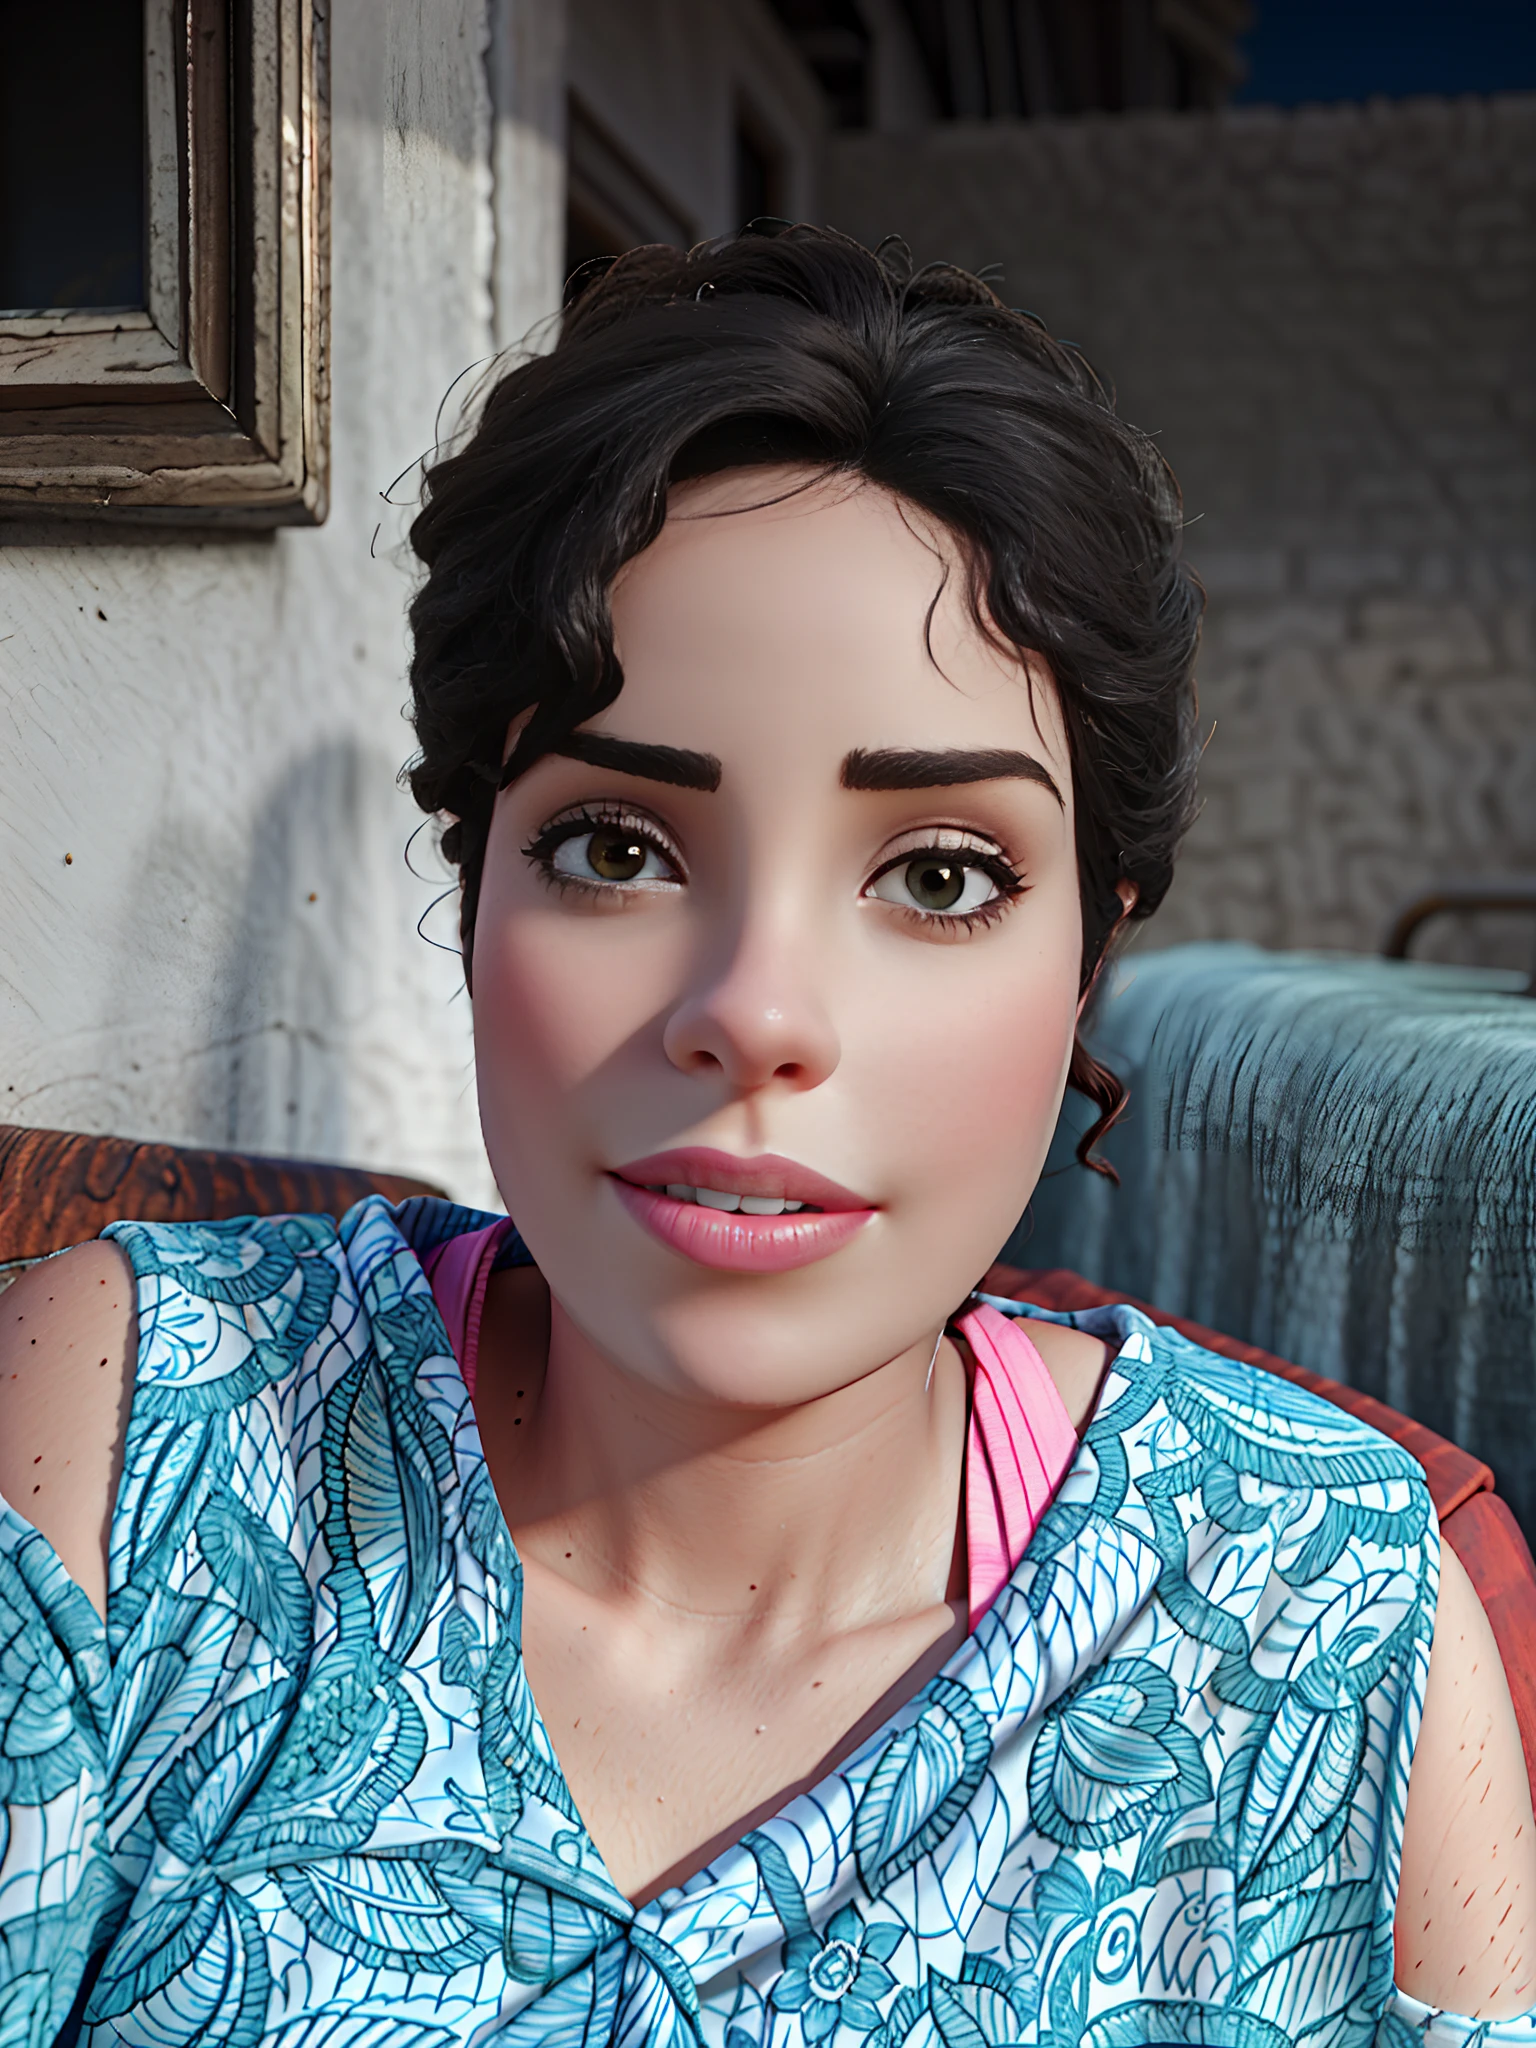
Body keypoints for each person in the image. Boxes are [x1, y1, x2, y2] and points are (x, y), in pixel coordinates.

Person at [1, 227, 1531, 2048]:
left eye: (943, 875)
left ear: (1091, 960)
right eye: (616, 848)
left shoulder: (1338, 1628)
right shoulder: (126, 1430)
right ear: (474, 884)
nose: (759, 1009)